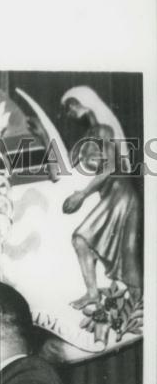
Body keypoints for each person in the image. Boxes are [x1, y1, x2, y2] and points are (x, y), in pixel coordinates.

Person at [60, 87, 142, 328]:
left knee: (88, 242)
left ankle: (137, 310)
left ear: (84, 103)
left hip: (121, 194)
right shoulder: (93, 132)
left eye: (72, 106)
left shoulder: (104, 131)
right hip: (113, 194)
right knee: (85, 242)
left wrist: (82, 194)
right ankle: (94, 294)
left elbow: (108, 169)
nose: (70, 112)